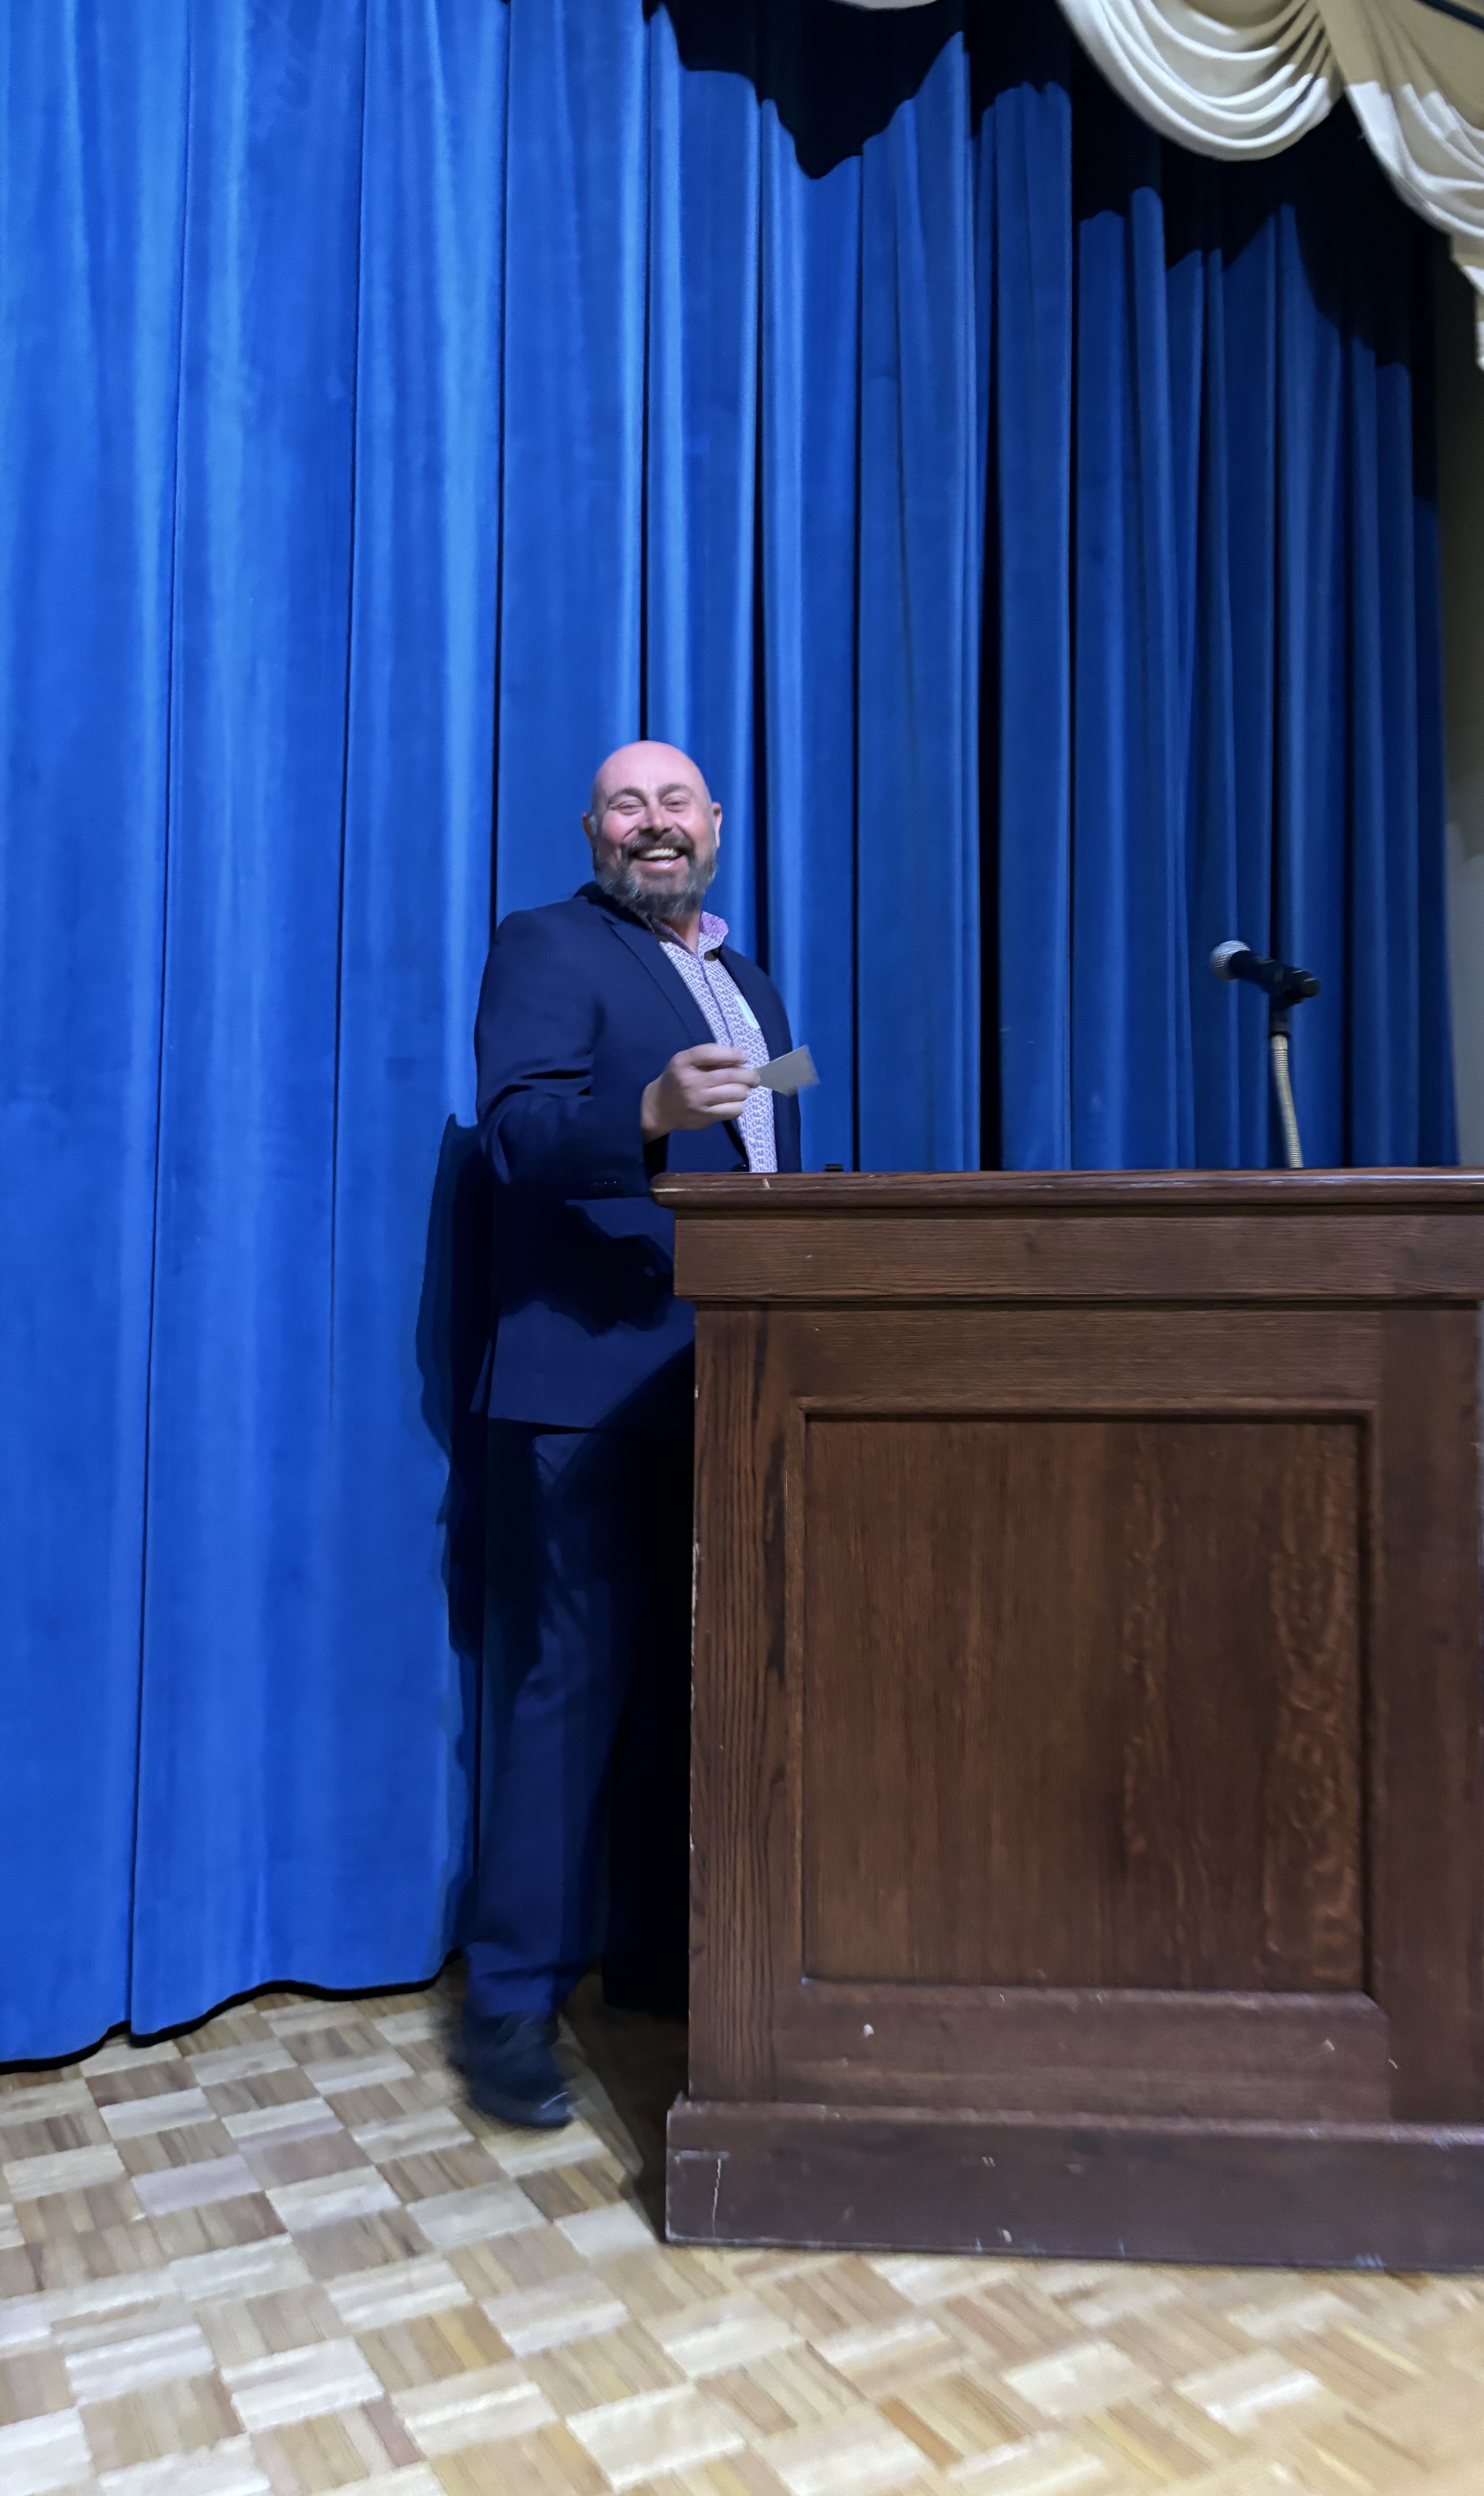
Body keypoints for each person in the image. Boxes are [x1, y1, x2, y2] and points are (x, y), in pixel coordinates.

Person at [456, 740, 802, 2126]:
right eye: (626, 804)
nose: (653, 823)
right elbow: (517, 1136)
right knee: (574, 1693)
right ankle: (508, 2006)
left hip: (735, 1379)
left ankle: (655, 1961)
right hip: (589, 1393)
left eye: (674, 804)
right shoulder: (547, 944)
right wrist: (648, 1112)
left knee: (694, 1688)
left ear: (713, 825)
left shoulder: (746, 979)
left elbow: (766, 1149)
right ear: (592, 829)